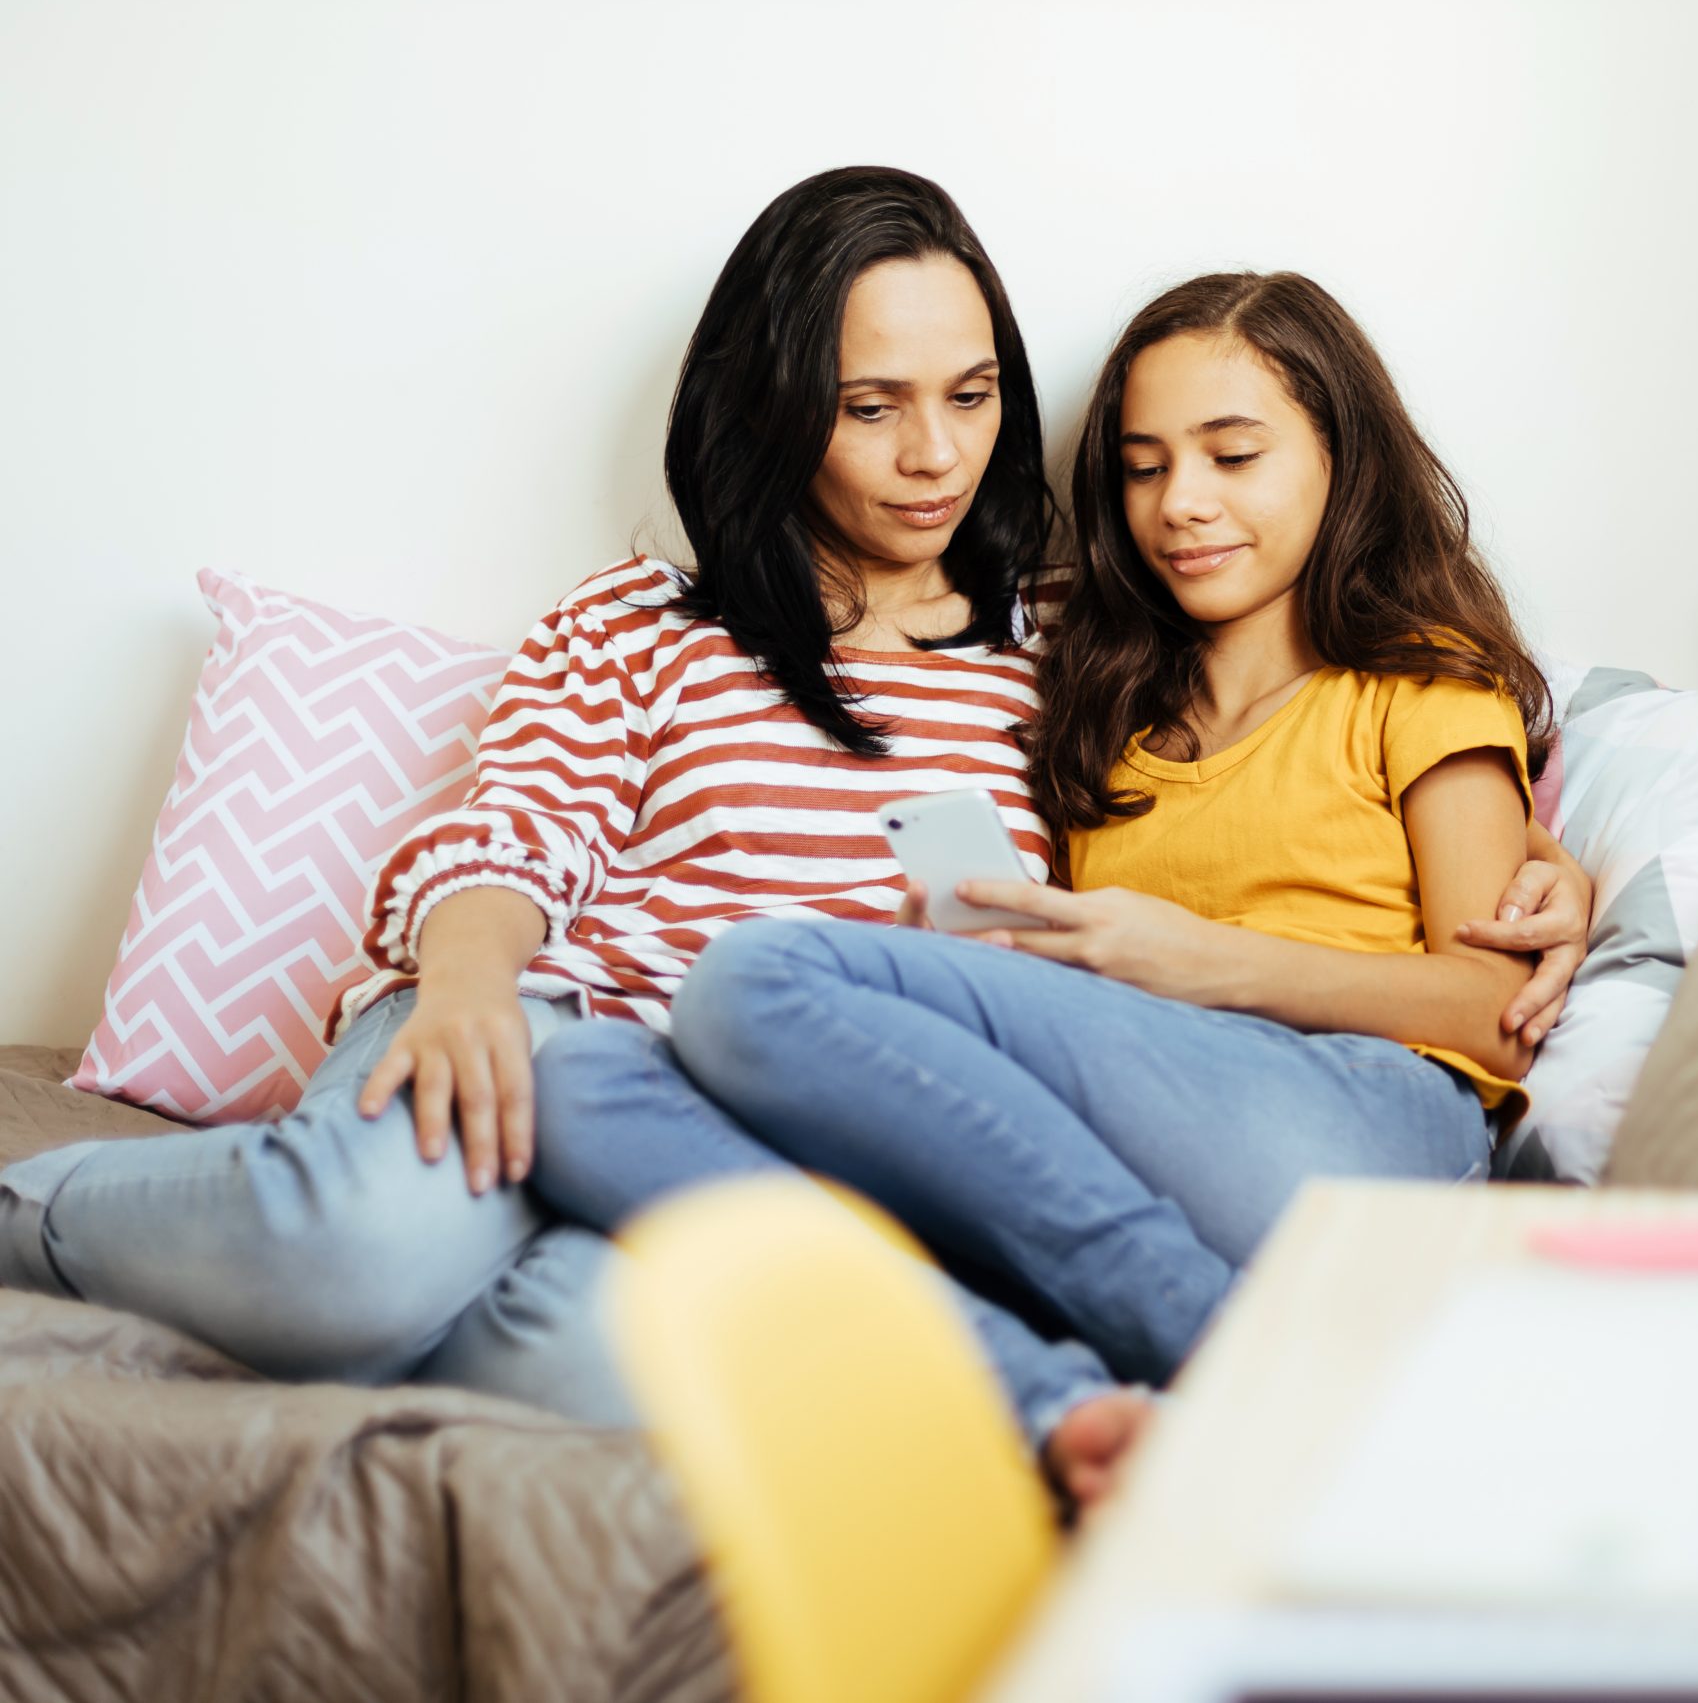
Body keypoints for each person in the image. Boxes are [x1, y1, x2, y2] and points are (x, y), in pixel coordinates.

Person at [0, 175, 1588, 1457]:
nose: (936, 454)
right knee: (362, 1252)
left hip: (788, 1147)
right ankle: (32, 1207)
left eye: (972, 395)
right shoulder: (651, 617)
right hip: (560, 1031)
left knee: (630, 1339)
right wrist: (470, 986)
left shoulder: (1063, 650)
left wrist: (1555, 878)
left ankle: (1059, 1407)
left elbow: (1338, 806)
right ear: (776, 408)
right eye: (869, 405)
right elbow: (508, 833)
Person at [538, 270, 1555, 1504]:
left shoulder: (1418, 679)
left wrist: (1197, 962)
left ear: (1343, 461)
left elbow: (1495, 1006)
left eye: (1234, 456)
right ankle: (1059, 1399)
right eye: (1140, 467)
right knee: (580, 1079)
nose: (1181, 505)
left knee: (755, 978)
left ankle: (1214, 1340)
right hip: (1153, 1128)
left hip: (1358, 1130)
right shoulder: (1103, 700)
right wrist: (977, 962)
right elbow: (1096, 1024)